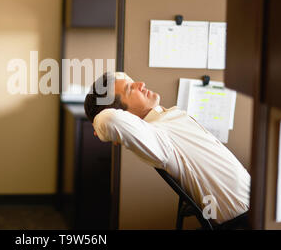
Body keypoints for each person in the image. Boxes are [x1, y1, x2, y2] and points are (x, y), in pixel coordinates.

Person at [84, 72, 250, 225]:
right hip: (245, 219)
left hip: (256, 204)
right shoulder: (157, 136)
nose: (141, 84)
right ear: (126, 115)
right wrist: (98, 124)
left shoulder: (166, 120)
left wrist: (120, 80)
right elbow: (108, 119)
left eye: (133, 82)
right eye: (130, 89)